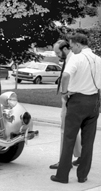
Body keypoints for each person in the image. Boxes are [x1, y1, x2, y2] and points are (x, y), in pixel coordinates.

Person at [51, 33, 101, 184]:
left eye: (72, 46)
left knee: (69, 138)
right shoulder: (99, 59)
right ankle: (82, 176)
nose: (71, 49)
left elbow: (65, 76)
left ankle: (62, 176)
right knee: (89, 141)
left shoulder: (76, 58)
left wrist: (64, 93)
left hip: (77, 101)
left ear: (79, 45)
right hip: (94, 101)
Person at [49, 40, 81, 169]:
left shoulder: (72, 60)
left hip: (70, 97)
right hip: (76, 98)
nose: (57, 56)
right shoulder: (71, 58)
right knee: (72, 129)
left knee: (65, 130)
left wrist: (64, 93)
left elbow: (66, 77)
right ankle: (81, 155)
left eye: (58, 53)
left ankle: (64, 161)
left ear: (66, 49)